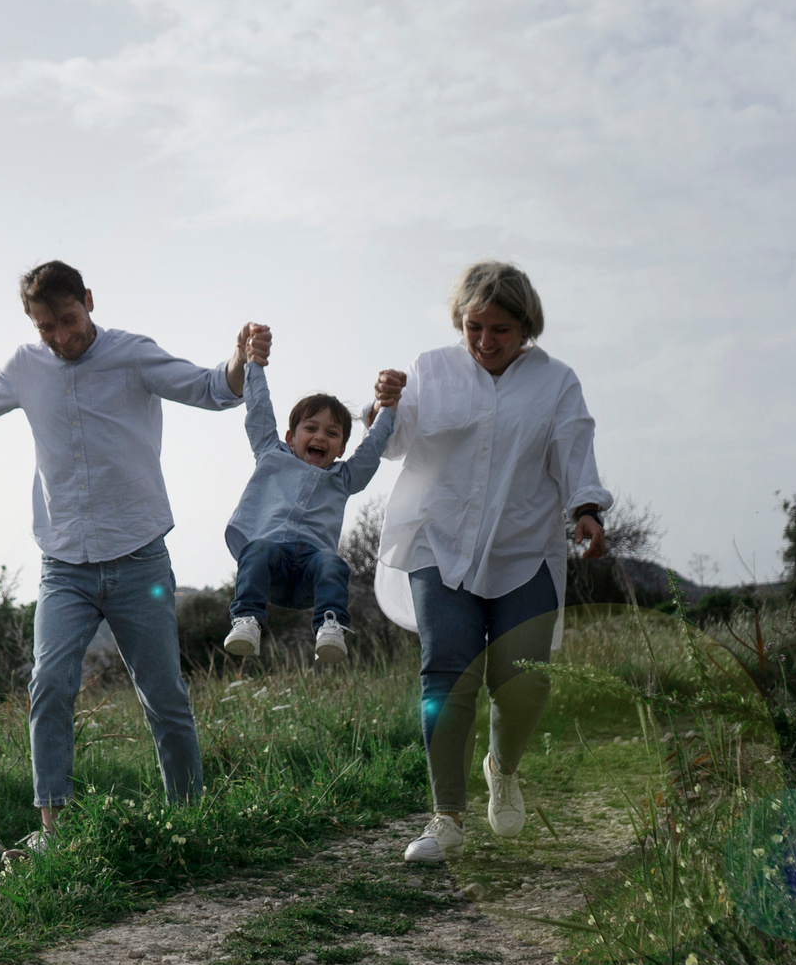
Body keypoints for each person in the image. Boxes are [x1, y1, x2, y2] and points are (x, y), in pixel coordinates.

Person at [0, 260, 267, 841]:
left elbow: (211, 389)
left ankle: (190, 823)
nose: (61, 337)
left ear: (89, 301)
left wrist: (239, 360)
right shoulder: (26, 368)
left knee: (163, 696)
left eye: (68, 319)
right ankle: (53, 832)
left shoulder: (132, 354)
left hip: (139, 561)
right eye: (46, 327)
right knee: (49, 684)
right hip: (65, 569)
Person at [372, 260, 610, 865]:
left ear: (526, 327)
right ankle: (445, 816)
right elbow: (396, 445)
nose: (484, 341)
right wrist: (387, 406)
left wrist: (586, 508)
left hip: (522, 547)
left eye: (499, 330)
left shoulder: (555, 382)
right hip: (438, 541)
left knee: (523, 680)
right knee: (447, 670)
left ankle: (502, 771)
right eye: (475, 326)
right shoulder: (433, 368)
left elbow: (573, 446)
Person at [220, 361, 403, 664]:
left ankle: (330, 626)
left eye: (332, 433)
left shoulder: (344, 477)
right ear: (291, 438)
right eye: (311, 428)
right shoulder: (271, 453)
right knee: (259, 548)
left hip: (310, 575)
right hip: (270, 570)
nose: (320, 437)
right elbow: (259, 410)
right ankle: (246, 620)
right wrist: (253, 363)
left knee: (332, 562)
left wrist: (389, 409)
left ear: (342, 447)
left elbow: (371, 449)